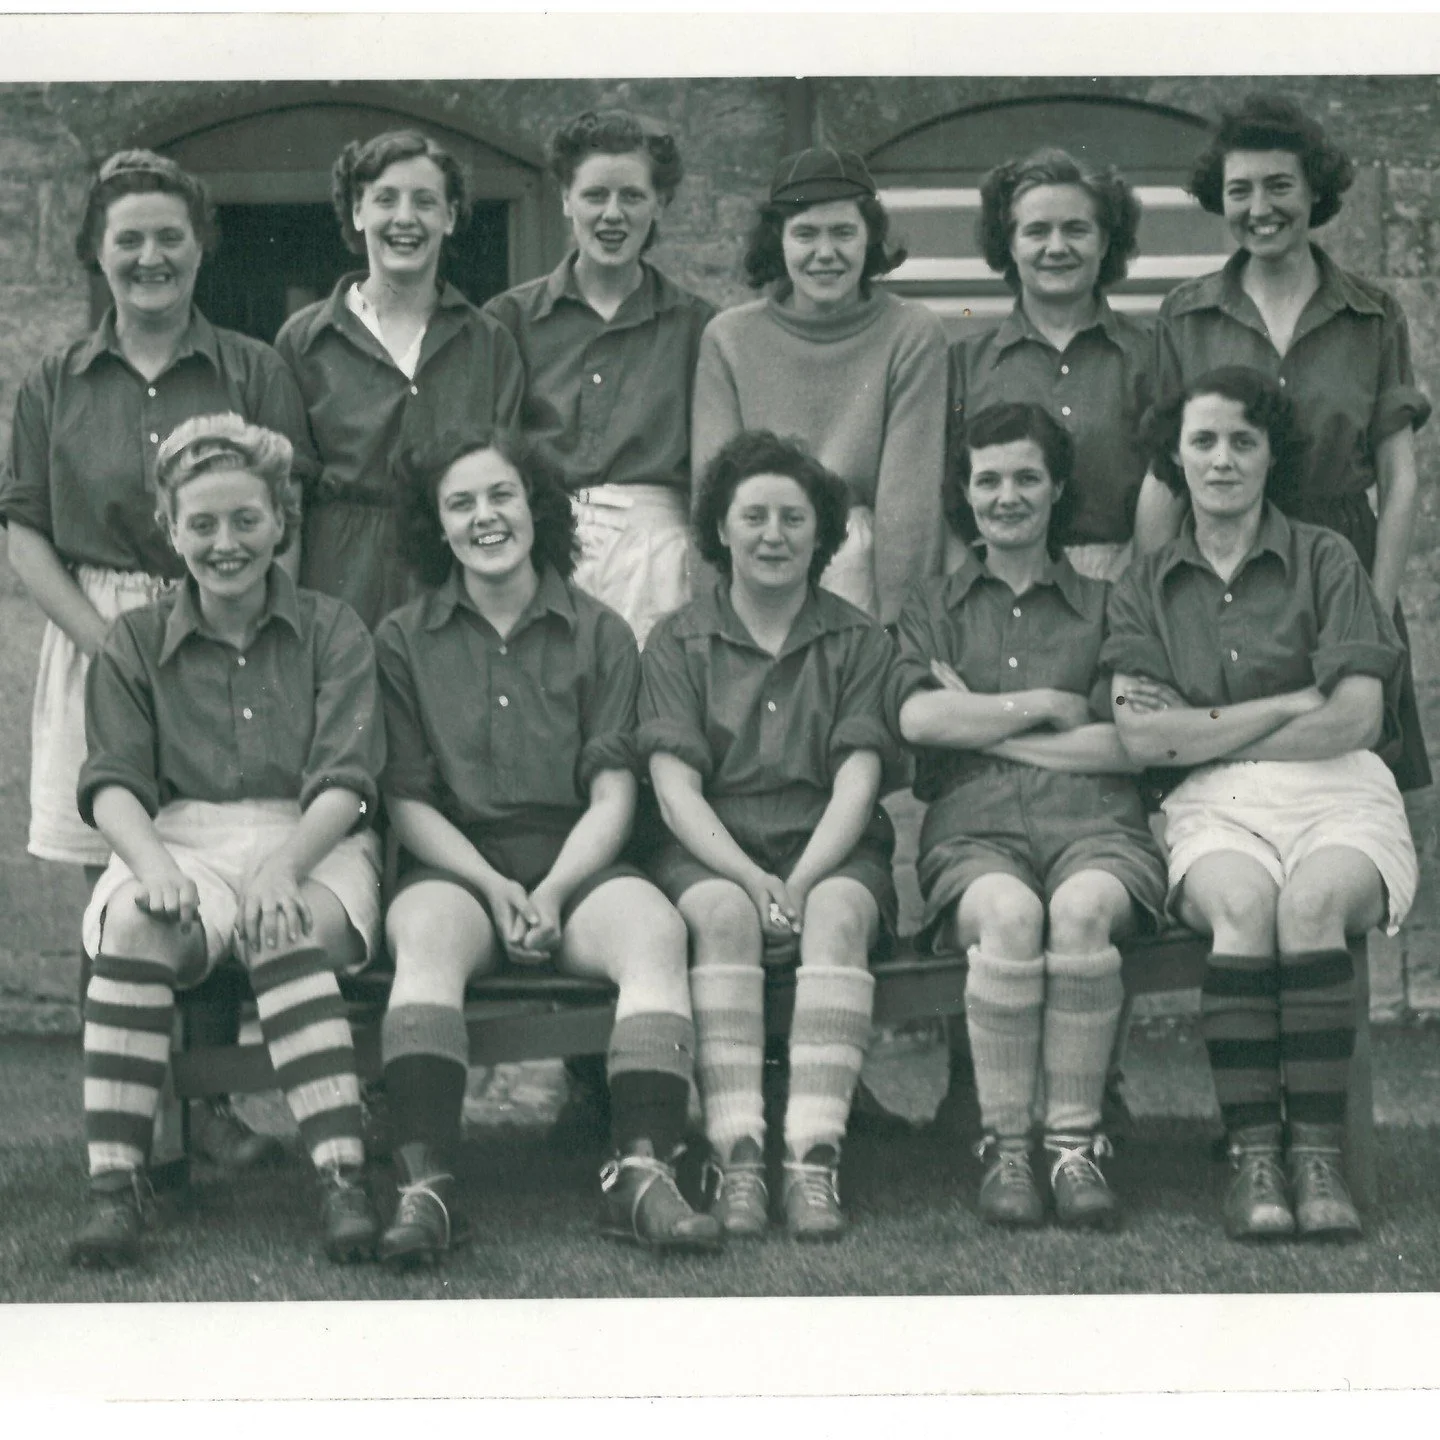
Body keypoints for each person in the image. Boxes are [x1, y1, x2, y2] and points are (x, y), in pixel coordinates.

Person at [0, 148, 314, 1171]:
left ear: (200, 247)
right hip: (96, 632)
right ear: (96, 252)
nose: (150, 257)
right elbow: (25, 532)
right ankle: (131, 1128)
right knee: (122, 875)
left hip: (226, 623)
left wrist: (238, 628)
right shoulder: (56, 380)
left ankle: (209, 1108)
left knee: (211, 851)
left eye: (169, 237)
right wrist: (114, 649)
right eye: (128, 239)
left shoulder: (252, 370)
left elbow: (286, 522)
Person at [371, 423, 722, 1266]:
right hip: (456, 867)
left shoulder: (603, 632)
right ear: (436, 525)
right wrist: (495, 888)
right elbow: (408, 801)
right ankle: (426, 1187)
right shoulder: (401, 640)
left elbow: (613, 794)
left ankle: (642, 1175)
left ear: (537, 507)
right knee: (423, 936)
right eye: (460, 503)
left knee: (655, 931)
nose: (485, 517)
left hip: (579, 863)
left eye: (502, 495)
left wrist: (555, 890)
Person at [1104, 367, 1417, 1242]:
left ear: (1272, 454)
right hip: (1214, 807)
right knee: (1243, 908)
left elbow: (1356, 717)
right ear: (1174, 455)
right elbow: (1142, 738)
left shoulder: (1327, 557)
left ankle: (1315, 1160)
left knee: (1311, 907)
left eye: (1244, 440)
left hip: (1340, 792)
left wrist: (1203, 728)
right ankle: (1254, 1161)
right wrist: (1288, 704)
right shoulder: (1143, 583)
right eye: (1202, 441)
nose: (1223, 459)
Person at [69, 414, 385, 1268]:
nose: (226, 543)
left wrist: (285, 867)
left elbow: (348, 780)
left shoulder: (333, 628)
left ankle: (342, 1176)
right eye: (202, 524)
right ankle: (116, 1186)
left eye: (246, 519)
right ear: (171, 531)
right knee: (136, 925)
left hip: (311, 835)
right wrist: (153, 867)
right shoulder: (135, 640)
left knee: (282, 923)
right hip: (182, 839)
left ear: (281, 520)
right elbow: (112, 782)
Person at [891, 402, 1166, 1229]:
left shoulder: (1113, 602)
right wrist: (1047, 704)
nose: (1005, 497)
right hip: (973, 834)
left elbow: (1133, 745)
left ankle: (1074, 1146)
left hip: (1099, 828)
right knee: (1008, 916)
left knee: (1081, 910)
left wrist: (982, 719)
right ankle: (1008, 1148)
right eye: (987, 480)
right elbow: (919, 718)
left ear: (1058, 489)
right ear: (965, 493)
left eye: (1026, 478)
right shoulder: (932, 605)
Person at [640, 430, 901, 1241]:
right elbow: (674, 792)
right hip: (711, 851)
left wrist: (801, 881)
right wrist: (754, 883)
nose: (773, 535)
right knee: (723, 916)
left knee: (839, 914)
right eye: (752, 516)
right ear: (720, 528)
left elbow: (858, 782)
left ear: (823, 534)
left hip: (831, 847)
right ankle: (739, 1156)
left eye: (793, 518)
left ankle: (813, 1159)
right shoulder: (676, 640)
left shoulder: (860, 640)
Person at [1132, 94, 1432, 790]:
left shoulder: (1371, 313)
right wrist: (1157, 608)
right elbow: (1162, 476)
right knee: (1224, 769)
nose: (1260, 207)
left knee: (1348, 766)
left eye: (1279, 186)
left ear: (1314, 191)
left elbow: (1400, 479)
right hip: (1222, 567)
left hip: (1343, 564)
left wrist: (1376, 613)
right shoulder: (1187, 314)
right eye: (1240, 190)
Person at [276, 128, 524, 631]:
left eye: (425, 202)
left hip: (453, 579)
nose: (405, 218)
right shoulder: (304, 342)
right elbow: (284, 500)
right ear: (357, 212)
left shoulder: (488, 342)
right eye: (386, 199)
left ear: (449, 217)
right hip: (337, 581)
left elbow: (508, 492)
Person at [483, 109, 715, 647]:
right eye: (594, 195)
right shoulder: (509, 320)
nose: (613, 214)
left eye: (632, 196)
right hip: (541, 552)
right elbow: (492, 451)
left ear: (660, 203)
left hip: (657, 561)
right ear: (566, 199)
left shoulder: (697, 327)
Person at [691, 147, 947, 627]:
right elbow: (712, 495)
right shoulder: (729, 338)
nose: (825, 254)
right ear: (778, 240)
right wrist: (713, 622)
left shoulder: (911, 332)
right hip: (758, 561)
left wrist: (901, 630)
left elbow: (909, 506)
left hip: (861, 570)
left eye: (843, 233)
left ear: (870, 236)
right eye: (805, 234)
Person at [948, 148, 1149, 584]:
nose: (1056, 248)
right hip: (999, 584)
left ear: (1105, 242)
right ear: (1009, 245)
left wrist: (1135, 587)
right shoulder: (964, 365)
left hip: (1127, 581)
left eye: (1076, 229)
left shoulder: (1151, 356)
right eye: (1037, 231)